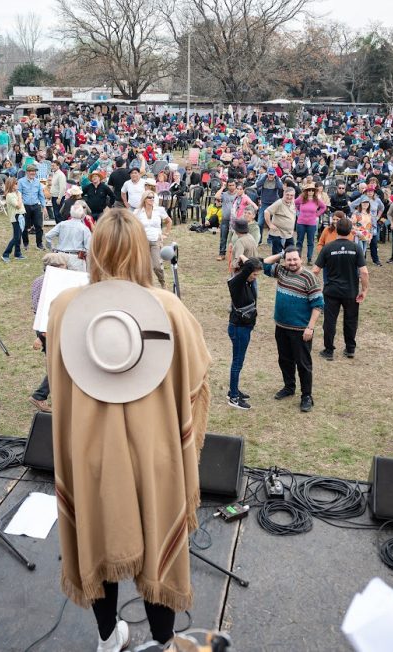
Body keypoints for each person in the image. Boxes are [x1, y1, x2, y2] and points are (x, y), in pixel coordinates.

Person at [45, 209, 211, 652]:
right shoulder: (169, 309)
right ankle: (164, 643)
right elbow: (195, 383)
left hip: (88, 454)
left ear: (94, 250)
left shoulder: (63, 307)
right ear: (142, 251)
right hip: (155, 455)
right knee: (160, 545)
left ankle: (107, 638)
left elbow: (57, 380)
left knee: (96, 540)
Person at [264, 246, 323, 412]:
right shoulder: (281, 271)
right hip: (281, 326)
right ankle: (289, 387)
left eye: (295, 259)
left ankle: (307, 396)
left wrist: (310, 328)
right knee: (284, 360)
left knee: (303, 364)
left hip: (301, 330)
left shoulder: (309, 278)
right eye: (289, 259)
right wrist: (281, 254)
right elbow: (264, 263)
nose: (292, 262)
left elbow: (318, 305)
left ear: (301, 259)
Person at [313, 218, 368, 361]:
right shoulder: (356, 248)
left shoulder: (328, 248)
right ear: (350, 231)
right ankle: (350, 349)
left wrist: (313, 288)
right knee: (351, 320)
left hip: (331, 291)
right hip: (351, 291)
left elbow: (315, 270)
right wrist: (364, 290)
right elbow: (364, 272)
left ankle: (328, 350)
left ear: (336, 230)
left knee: (330, 321)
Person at [29, 253, 70, 414]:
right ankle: (39, 396)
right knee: (60, 364)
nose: (67, 268)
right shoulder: (50, 285)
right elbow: (44, 311)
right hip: (48, 328)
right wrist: (43, 335)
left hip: (46, 328)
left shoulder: (38, 281)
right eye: (64, 266)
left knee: (58, 363)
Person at [227, 256, 263, 410]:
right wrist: (242, 256)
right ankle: (233, 398)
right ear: (246, 271)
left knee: (238, 362)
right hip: (239, 329)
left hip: (244, 328)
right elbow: (248, 266)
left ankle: (233, 390)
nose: (255, 277)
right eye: (254, 274)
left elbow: (260, 261)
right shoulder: (237, 282)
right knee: (237, 363)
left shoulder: (246, 282)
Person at [134, 184, 172, 288]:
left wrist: (166, 234)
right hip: (142, 241)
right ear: (144, 199)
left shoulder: (159, 210)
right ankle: (144, 285)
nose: (152, 199)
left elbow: (169, 221)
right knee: (143, 266)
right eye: (149, 197)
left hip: (156, 240)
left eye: (153, 197)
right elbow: (131, 225)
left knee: (157, 266)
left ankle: (162, 282)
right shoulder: (137, 212)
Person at [45, 203, 92, 272]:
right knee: (77, 278)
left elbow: (48, 236)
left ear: (70, 213)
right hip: (76, 259)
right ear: (82, 215)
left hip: (60, 256)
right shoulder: (84, 228)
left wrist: (52, 248)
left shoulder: (62, 224)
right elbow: (88, 247)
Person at [294, 184, 327, 264]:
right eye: (309, 190)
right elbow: (294, 203)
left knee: (311, 242)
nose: (311, 192)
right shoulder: (301, 198)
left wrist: (317, 214)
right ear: (306, 191)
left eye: (312, 190)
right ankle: (298, 257)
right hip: (301, 223)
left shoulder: (317, 200)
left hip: (311, 224)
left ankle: (309, 259)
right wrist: (297, 210)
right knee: (299, 241)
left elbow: (324, 207)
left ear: (314, 191)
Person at [19, 164, 48, 250]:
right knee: (24, 226)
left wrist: (44, 207)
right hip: (25, 206)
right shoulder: (21, 181)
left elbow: (41, 195)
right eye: (31, 171)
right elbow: (19, 194)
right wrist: (19, 205)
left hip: (36, 206)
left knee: (39, 225)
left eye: (34, 171)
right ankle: (25, 243)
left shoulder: (37, 182)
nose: (33, 173)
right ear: (27, 172)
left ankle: (39, 244)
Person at [264, 186, 297, 255]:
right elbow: (266, 211)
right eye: (287, 195)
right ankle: (276, 262)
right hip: (278, 233)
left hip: (288, 234)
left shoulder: (292, 202)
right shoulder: (279, 203)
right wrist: (270, 224)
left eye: (291, 195)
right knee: (277, 254)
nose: (289, 197)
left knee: (291, 253)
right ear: (283, 194)